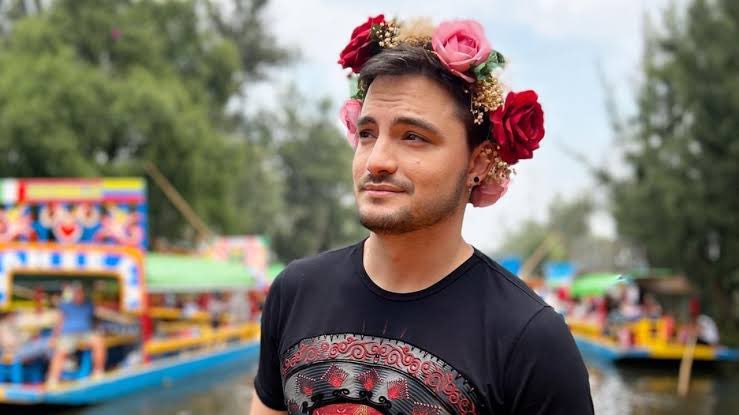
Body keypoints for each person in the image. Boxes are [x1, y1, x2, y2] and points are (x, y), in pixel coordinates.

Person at [251, 14, 593, 415]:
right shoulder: (295, 292)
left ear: (478, 163)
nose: (376, 160)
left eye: (412, 136)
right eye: (367, 133)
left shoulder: (528, 338)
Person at [46, 282, 106, 387]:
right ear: (73, 294)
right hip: (68, 334)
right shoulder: (66, 305)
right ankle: (53, 379)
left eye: (80, 293)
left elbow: (95, 319)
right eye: (76, 293)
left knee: (99, 342)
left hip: (86, 333)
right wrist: (54, 337)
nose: (79, 295)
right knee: (60, 352)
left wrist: (99, 330)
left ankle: (98, 371)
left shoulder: (89, 304)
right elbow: (59, 322)